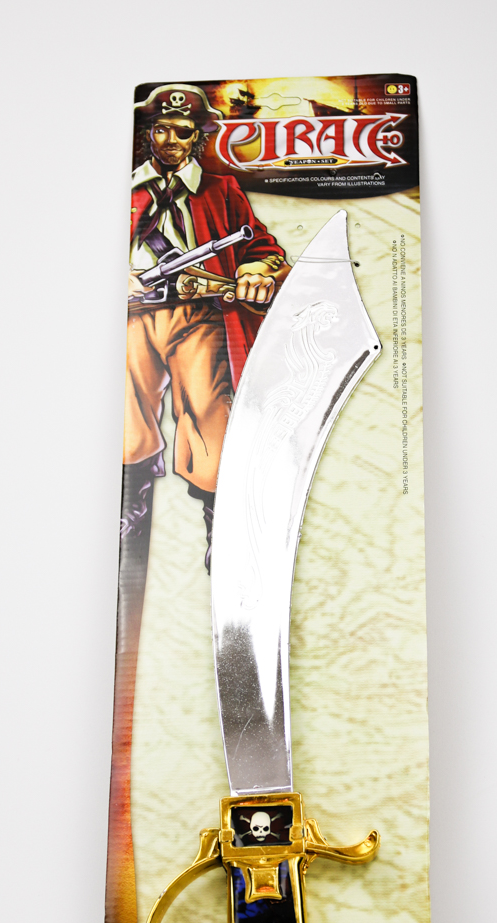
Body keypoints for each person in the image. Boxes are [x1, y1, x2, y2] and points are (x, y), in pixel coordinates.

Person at [123, 83, 289, 570]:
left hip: (198, 313)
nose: (170, 140)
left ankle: (224, 523)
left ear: (197, 136)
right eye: (161, 129)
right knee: (126, 413)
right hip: (131, 316)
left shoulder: (220, 190)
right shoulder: (125, 190)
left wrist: (256, 270)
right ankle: (129, 510)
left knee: (208, 414)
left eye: (182, 131)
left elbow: (262, 248)